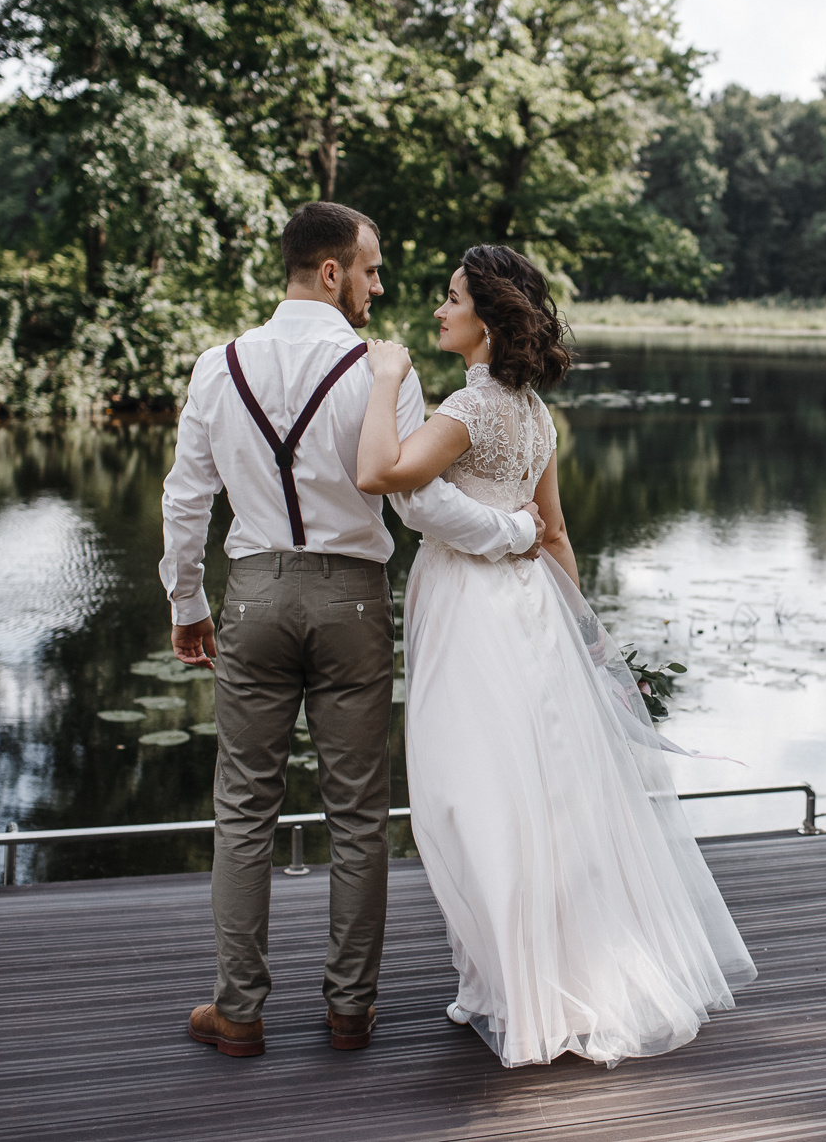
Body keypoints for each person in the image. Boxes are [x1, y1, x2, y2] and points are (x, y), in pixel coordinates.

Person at [355, 244, 756, 1068]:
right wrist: (587, 634)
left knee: (469, 794)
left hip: (472, 611)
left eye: (452, 296)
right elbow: (558, 534)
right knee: (540, 791)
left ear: (487, 319)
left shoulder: (469, 409)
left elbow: (384, 472)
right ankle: (522, 976)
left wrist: (388, 380)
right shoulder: (537, 416)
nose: (438, 307)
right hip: (533, 608)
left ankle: (510, 986)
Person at [160, 203, 545, 1060]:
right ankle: (349, 1009)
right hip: (356, 602)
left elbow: (186, 497)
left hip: (255, 595)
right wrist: (520, 534)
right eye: (370, 270)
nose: (379, 286)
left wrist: (187, 603)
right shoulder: (383, 370)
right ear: (330, 272)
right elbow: (416, 502)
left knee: (243, 812)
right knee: (360, 815)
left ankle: (240, 1009)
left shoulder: (217, 365)